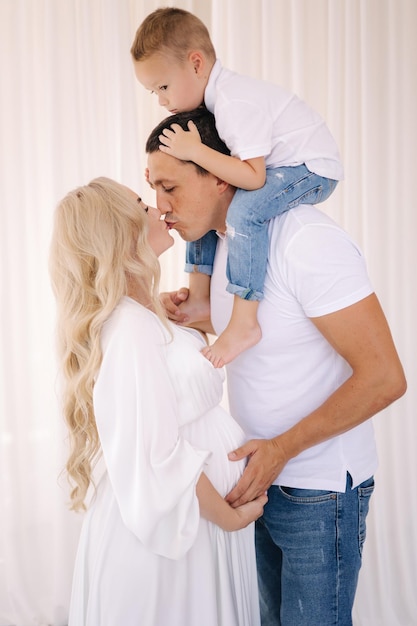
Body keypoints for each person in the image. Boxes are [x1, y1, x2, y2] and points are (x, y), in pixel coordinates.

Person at [145, 108, 407, 626]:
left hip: (319, 490)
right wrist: (198, 314)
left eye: (171, 187)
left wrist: (281, 450)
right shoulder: (221, 248)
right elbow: (272, 337)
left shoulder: (306, 241)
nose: (162, 207)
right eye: (154, 188)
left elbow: (385, 377)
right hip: (256, 480)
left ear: (219, 174)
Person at [48, 176, 267, 626]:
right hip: (176, 539)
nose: (157, 208)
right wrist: (228, 519)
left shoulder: (142, 318)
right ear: (120, 231)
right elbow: (157, 452)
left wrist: (176, 320)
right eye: (141, 205)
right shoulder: (131, 329)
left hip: (191, 526)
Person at [131, 6, 343, 368]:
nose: (162, 101)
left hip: (311, 167)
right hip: (283, 165)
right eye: (154, 93)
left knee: (244, 210)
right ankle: (200, 297)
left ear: (196, 64)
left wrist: (195, 151)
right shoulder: (216, 103)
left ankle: (245, 321)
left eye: (163, 87)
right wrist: (168, 180)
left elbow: (253, 177)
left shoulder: (233, 102)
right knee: (198, 213)